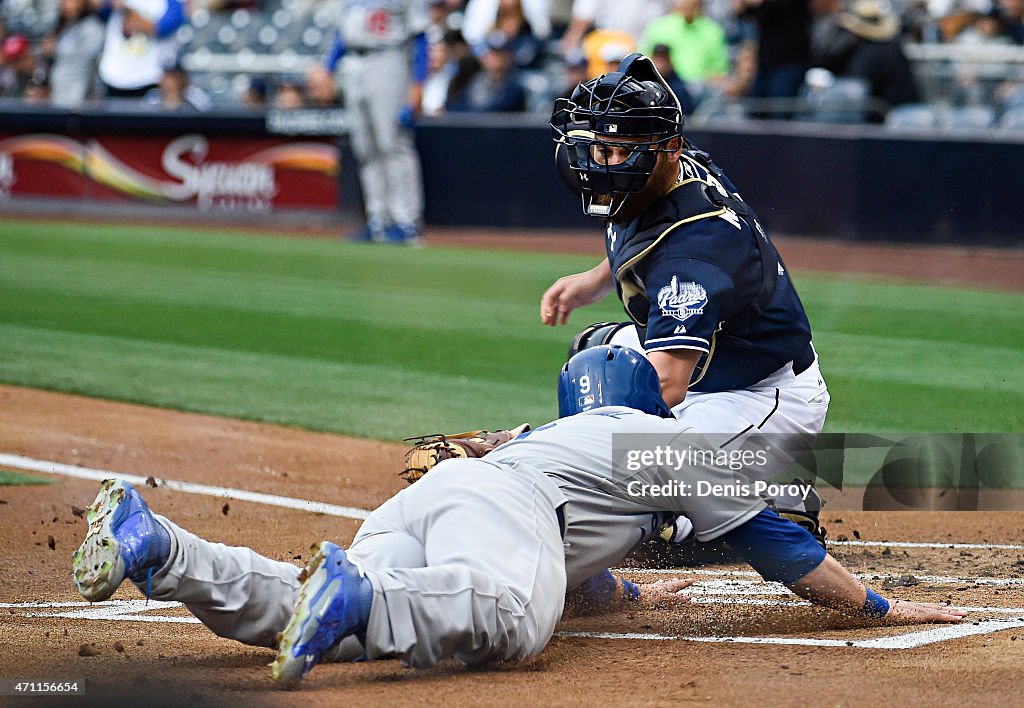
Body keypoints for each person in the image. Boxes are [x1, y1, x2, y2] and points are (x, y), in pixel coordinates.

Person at [70, 346, 967, 686]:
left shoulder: (557, 436)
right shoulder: (655, 444)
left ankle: (167, 550)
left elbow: (562, 553)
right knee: (508, 618)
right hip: (503, 510)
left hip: (430, 504)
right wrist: (881, 608)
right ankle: (356, 594)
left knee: (328, 620)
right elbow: (777, 543)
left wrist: (625, 596)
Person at [544, 53, 829, 536]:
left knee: (627, 487)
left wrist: (543, 442)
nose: (608, 164)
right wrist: (593, 280)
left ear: (670, 149)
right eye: (600, 149)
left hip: (758, 397)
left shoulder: (694, 257)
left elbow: (668, 383)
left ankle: (773, 501)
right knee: (596, 356)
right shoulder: (665, 164)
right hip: (713, 364)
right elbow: (644, 236)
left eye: (622, 151)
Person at [310, 0, 429, 244]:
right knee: (365, 148)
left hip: (387, 59)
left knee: (392, 143)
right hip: (354, 64)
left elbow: (420, 37)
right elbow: (342, 35)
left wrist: (418, 82)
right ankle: (378, 220)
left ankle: (406, 221)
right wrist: (328, 68)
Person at [92, 0, 186, 98]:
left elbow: (159, 29)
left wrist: (126, 9)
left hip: (149, 79)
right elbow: (96, 10)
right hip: (112, 77)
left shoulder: (170, 3)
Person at [639, 0, 730, 86]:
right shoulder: (659, 27)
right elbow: (643, 62)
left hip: (700, 89)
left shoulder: (713, 31)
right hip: (664, 83)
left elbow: (719, 71)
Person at [45, 0, 105, 109]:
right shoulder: (65, 28)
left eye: (71, 1)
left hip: (78, 98)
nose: (65, 5)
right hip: (59, 94)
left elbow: (90, 65)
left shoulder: (92, 28)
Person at [447, 31, 527, 112]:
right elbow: (460, 102)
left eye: (499, 53)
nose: (494, 58)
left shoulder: (515, 84)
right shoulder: (476, 79)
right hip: (473, 122)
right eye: (491, 53)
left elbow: (500, 109)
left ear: (508, 57)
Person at [140, 56, 211, 111]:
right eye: (167, 76)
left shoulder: (195, 97)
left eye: (175, 77)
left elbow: (205, 118)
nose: (170, 81)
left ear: (183, 78)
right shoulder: (152, 97)